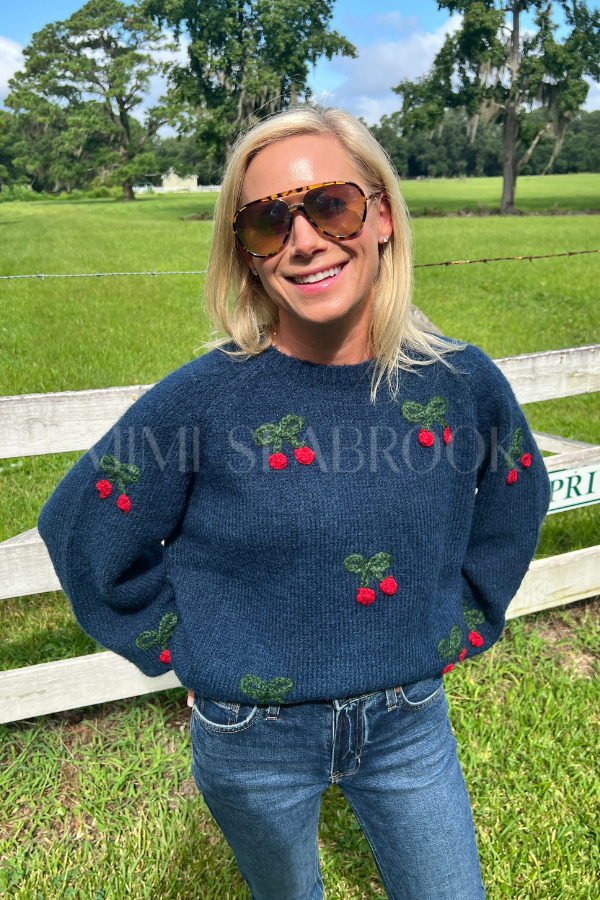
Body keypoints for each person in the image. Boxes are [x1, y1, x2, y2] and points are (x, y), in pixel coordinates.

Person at [38, 105, 551, 900]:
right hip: (253, 736)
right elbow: (82, 529)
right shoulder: (203, 400)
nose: (304, 239)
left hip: (409, 721)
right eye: (267, 222)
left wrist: (465, 614)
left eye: (331, 205)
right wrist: (185, 645)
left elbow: (516, 497)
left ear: (382, 216)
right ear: (245, 256)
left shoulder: (457, 383)